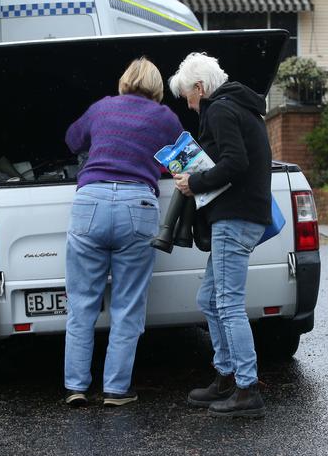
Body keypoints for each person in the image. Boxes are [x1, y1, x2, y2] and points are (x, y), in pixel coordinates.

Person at [64, 57, 183, 407]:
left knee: (82, 304)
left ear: (125, 80)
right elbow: (186, 162)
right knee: (128, 305)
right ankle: (116, 390)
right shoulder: (165, 118)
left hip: (91, 201)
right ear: (158, 88)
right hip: (138, 205)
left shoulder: (102, 107)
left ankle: (75, 386)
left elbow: (72, 140)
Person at [169, 52, 272, 418]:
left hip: (235, 216)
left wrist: (193, 182)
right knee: (210, 299)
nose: (189, 104)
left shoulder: (221, 109)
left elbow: (234, 162)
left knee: (227, 303)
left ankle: (247, 389)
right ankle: (225, 377)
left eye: (188, 96)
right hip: (242, 215)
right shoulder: (241, 107)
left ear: (200, 87)